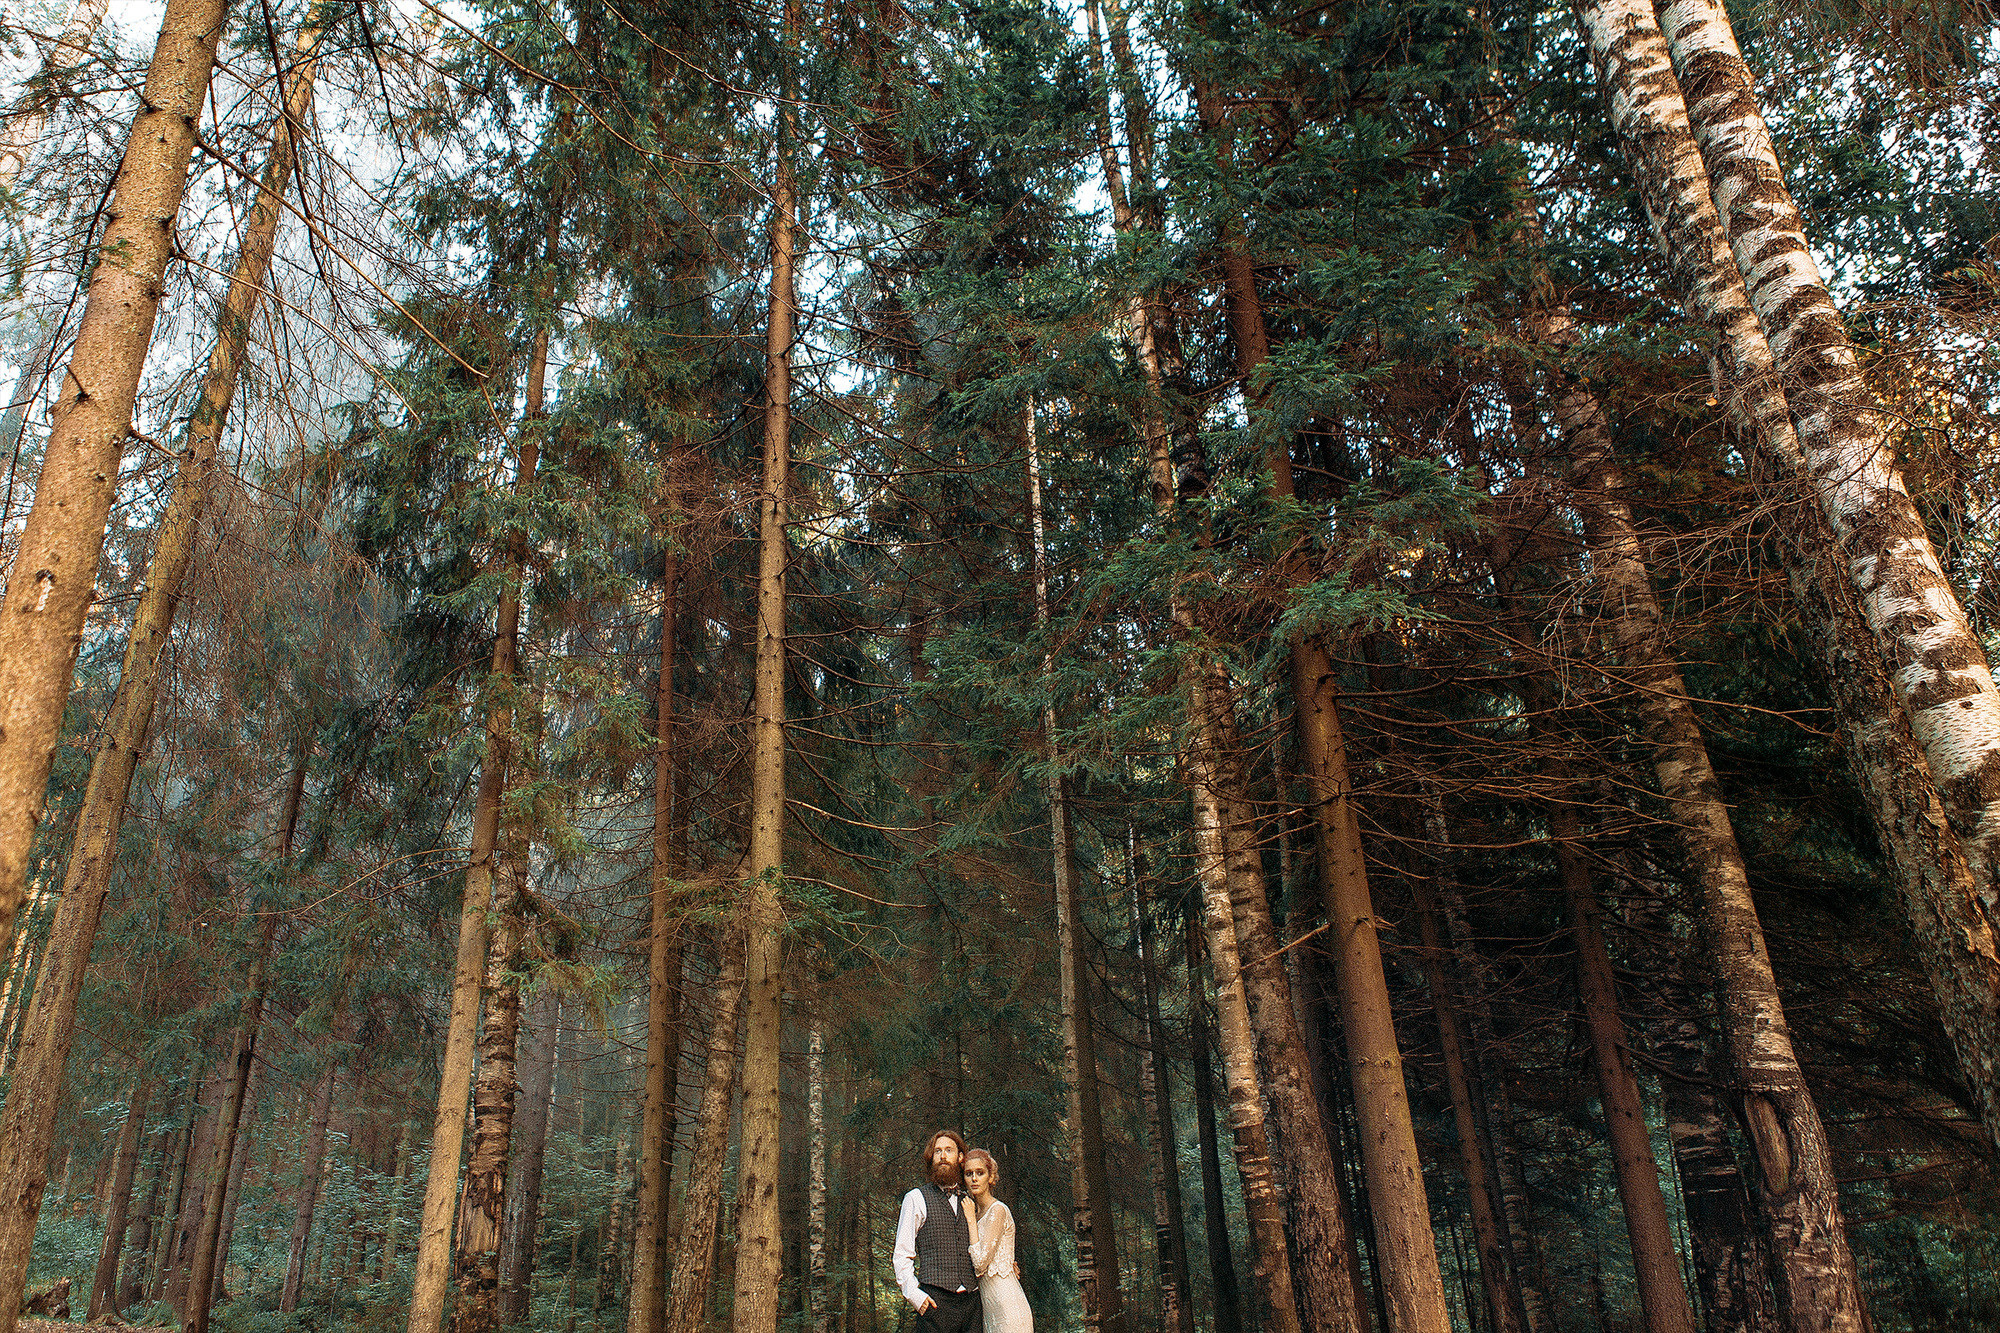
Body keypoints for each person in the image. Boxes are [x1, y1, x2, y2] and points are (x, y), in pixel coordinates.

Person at [893, 1129, 983, 1333]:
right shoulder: (916, 1198)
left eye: (949, 1150)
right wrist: (915, 1295)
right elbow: (901, 1254)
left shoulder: (970, 1199)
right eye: (937, 1151)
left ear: (960, 1157)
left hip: (972, 1305)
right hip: (935, 1305)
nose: (943, 1156)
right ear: (931, 1157)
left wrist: (1006, 1264)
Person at [963, 1149, 1031, 1333]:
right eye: (969, 1174)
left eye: (980, 1173)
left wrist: (970, 1220)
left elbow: (980, 1263)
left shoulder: (998, 1210)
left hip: (1008, 1307)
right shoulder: (974, 1213)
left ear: (990, 1177)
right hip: (989, 1309)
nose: (974, 1178)